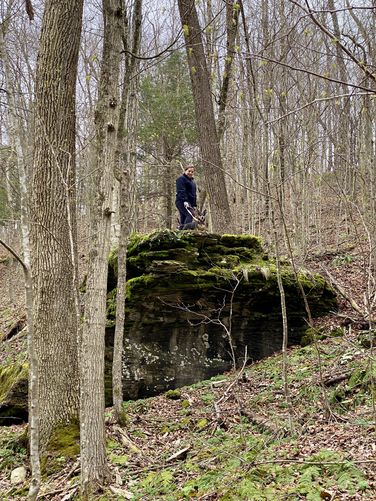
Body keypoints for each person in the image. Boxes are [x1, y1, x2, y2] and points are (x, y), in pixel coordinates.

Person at [176, 165, 197, 229]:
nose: (190, 173)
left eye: (192, 172)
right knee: (190, 215)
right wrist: (185, 200)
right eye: (189, 171)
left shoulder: (192, 181)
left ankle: (180, 232)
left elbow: (193, 194)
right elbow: (181, 191)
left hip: (190, 203)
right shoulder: (181, 179)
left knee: (183, 217)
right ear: (185, 171)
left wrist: (194, 205)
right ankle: (186, 232)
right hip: (181, 201)